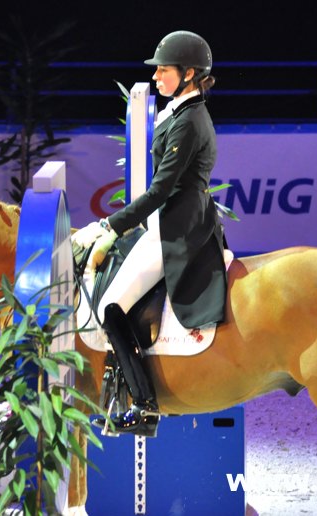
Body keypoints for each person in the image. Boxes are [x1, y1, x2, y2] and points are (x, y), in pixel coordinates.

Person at [72, 30, 227, 438]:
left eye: (163, 70)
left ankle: (143, 405)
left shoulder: (189, 121)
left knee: (111, 308)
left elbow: (160, 191)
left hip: (178, 227)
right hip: (172, 219)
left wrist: (108, 226)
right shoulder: (178, 110)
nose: (156, 76)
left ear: (189, 73)